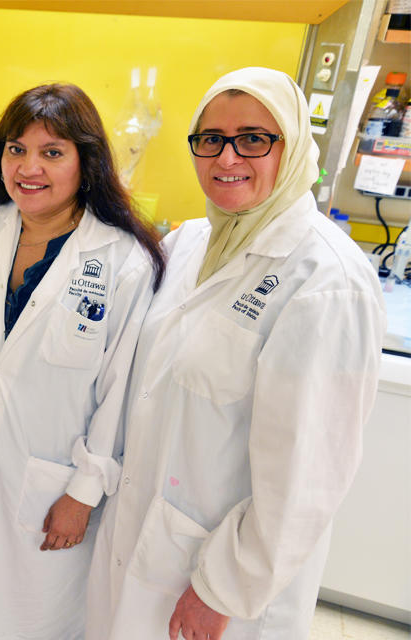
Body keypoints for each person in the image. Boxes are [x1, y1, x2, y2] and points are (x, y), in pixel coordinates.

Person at [86, 67, 386, 640]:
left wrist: (223, 588)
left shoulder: (325, 280)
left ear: (293, 147)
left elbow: (307, 478)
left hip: (220, 578)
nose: (226, 158)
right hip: (143, 541)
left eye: (253, 139)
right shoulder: (189, 241)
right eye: (210, 139)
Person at [0, 83, 166, 639]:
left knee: (33, 622)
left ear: (87, 162)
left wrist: (83, 494)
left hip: (53, 485)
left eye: (52, 152)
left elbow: (119, 392)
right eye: (16, 149)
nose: (28, 167)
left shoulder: (122, 261)